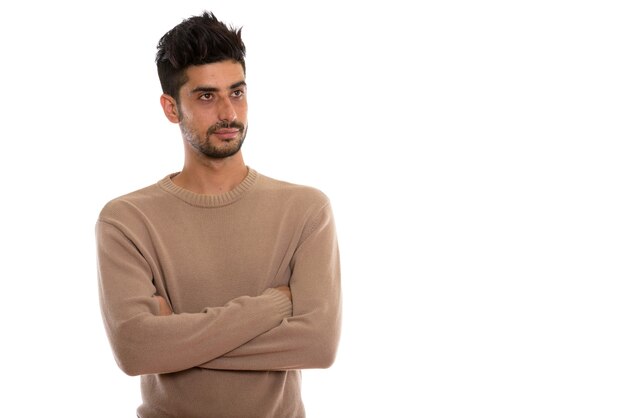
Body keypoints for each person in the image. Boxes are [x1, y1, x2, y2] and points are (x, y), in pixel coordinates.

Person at [95, 11, 341, 418]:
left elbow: (318, 345)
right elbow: (135, 350)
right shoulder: (127, 220)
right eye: (207, 96)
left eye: (237, 92)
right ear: (171, 108)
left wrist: (175, 344)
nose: (228, 113)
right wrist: (276, 306)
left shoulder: (306, 210)